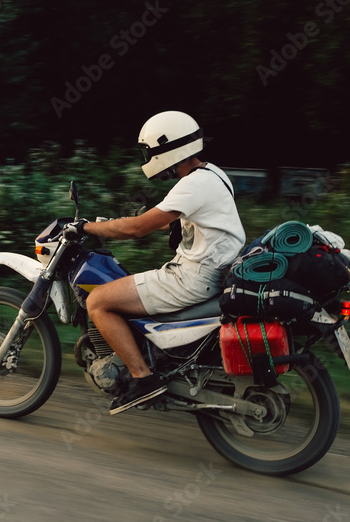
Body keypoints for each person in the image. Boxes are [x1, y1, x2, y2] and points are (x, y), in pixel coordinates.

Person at [65, 111, 246, 414]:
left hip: (192, 279)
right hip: (213, 273)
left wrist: (84, 228)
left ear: (168, 148)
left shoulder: (192, 185)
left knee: (98, 301)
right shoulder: (213, 174)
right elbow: (170, 221)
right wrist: (115, 222)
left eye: (150, 151)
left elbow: (137, 229)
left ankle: (143, 379)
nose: (148, 157)